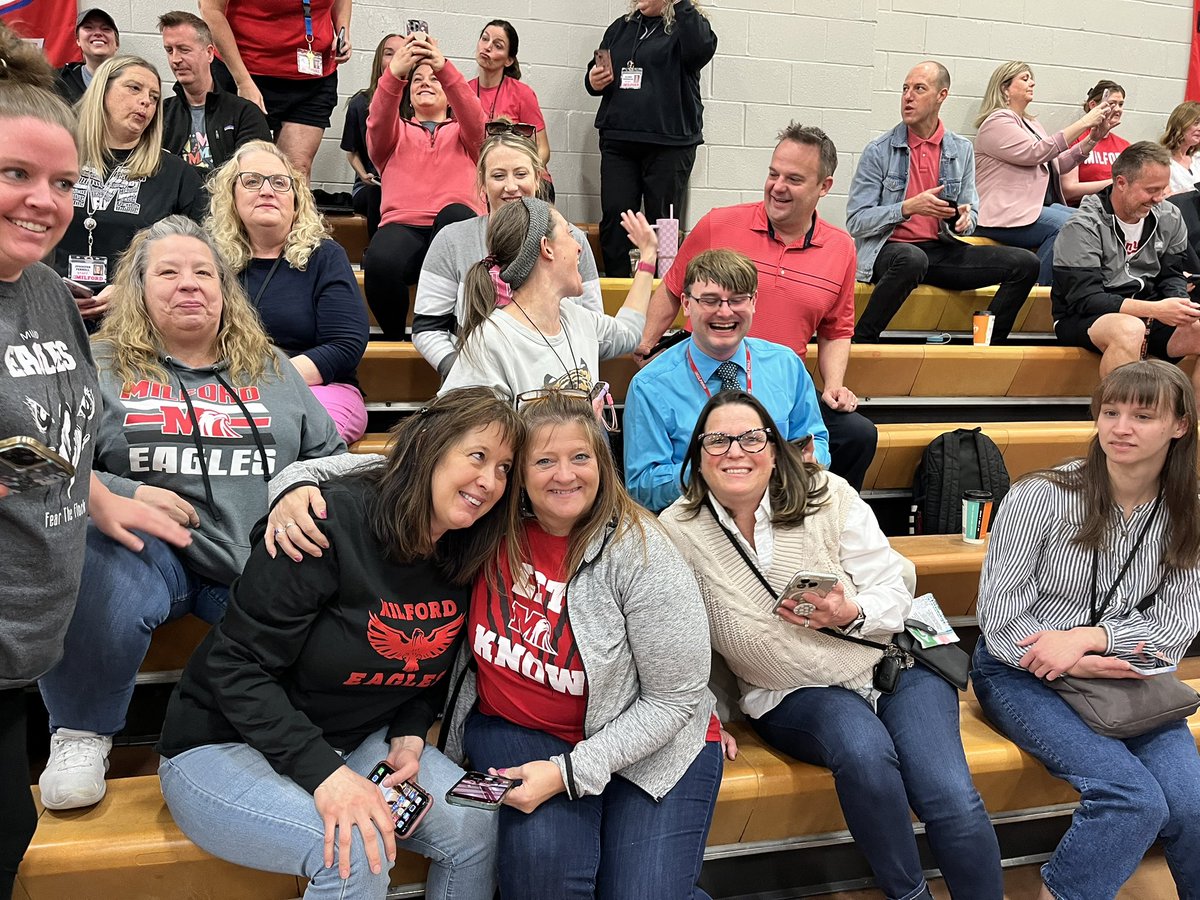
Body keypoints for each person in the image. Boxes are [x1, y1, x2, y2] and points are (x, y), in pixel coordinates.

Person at [36, 216, 347, 812]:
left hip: (256, 552)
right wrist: (117, 490)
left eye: (204, 272)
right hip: (158, 555)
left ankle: (305, 737)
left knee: (321, 579)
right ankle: (81, 731)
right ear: (138, 289)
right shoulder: (97, 365)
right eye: (168, 272)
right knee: (102, 556)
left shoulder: (273, 369)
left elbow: (331, 458)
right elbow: (48, 461)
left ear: (226, 290)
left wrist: (297, 488)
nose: (189, 285)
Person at [158, 387, 517, 900]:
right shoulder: (325, 523)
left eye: (504, 468)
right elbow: (235, 668)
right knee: (355, 848)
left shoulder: (466, 549)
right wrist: (325, 773)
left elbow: (434, 664)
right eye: (478, 456)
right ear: (431, 447)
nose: (489, 481)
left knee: (476, 825)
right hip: (223, 742)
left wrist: (412, 732)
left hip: (354, 740)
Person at [659, 390, 1004, 900]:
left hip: (891, 660)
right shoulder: (676, 530)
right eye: (717, 440)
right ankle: (911, 896)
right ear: (696, 456)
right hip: (791, 689)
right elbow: (676, 641)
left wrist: (852, 612)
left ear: (775, 448)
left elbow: (893, 585)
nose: (735, 451)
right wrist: (700, 717)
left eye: (752, 438)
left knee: (948, 791)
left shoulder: (827, 493)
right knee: (864, 752)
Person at [0, 28, 189, 899]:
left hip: (25, 647)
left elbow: (59, 431)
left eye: (62, 182)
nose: (44, 201)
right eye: (15, 175)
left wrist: (98, 495)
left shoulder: (43, 290)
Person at [442, 389, 721, 900]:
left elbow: (674, 699)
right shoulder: (487, 527)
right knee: (544, 875)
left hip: (652, 740)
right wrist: (297, 483)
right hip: (519, 726)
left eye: (580, 457)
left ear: (603, 463)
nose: (564, 475)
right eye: (544, 460)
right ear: (517, 475)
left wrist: (572, 772)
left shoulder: (643, 553)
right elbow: (399, 476)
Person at [972, 359, 1200, 900]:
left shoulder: (1188, 510)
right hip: (1021, 670)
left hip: (1122, 674)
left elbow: (1176, 630)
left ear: (1180, 426)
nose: (1121, 427)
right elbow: (999, 614)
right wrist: (1067, 656)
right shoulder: (1041, 495)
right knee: (1132, 798)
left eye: (1143, 415)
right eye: (1111, 411)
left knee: (1191, 804)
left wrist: (1092, 639)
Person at [636, 123, 878, 491]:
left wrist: (834, 384)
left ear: (824, 187)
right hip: (704, 370)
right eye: (773, 174)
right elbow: (672, 289)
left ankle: (814, 517)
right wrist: (646, 345)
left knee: (857, 435)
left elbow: (837, 328)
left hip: (778, 379)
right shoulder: (719, 223)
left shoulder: (841, 247)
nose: (778, 187)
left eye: (794, 179)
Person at [847, 60, 1040, 343]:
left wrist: (963, 220)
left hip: (938, 251)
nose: (908, 97)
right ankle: (861, 340)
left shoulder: (960, 149)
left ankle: (986, 347)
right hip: (889, 251)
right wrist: (907, 208)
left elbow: (970, 213)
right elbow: (856, 221)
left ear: (942, 95)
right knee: (912, 258)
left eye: (919, 89)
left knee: (1026, 263)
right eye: (905, 89)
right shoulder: (879, 150)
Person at [625, 248, 829, 512]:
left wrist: (799, 463)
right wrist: (714, 470)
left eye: (737, 300)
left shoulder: (787, 365)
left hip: (779, 509)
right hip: (696, 517)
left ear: (754, 301)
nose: (724, 312)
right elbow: (642, 487)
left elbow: (817, 443)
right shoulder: (650, 386)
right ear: (686, 304)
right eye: (709, 300)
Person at [208, 140, 369, 442]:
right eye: (252, 181)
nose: (267, 191)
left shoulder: (325, 256)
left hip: (317, 388)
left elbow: (345, 345)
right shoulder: (208, 259)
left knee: (284, 434)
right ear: (231, 195)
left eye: (280, 183)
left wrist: (265, 382)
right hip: (221, 387)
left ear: (296, 200)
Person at [412, 132, 602, 377]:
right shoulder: (451, 241)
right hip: (478, 390)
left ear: (538, 179)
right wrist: (462, 374)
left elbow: (593, 326)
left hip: (558, 386)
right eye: (498, 176)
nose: (511, 186)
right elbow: (427, 328)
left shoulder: (573, 240)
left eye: (521, 174)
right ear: (483, 184)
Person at [439, 195, 649, 400]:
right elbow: (458, 430)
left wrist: (648, 257)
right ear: (546, 247)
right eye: (569, 233)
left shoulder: (579, 318)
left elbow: (629, 332)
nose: (579, 247)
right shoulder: (492, 341)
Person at [52, 55, 207, 328]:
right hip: (53, 308)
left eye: (154, 96)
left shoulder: (175, 173)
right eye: (134, 88)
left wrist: (131, 288)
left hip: (136, 320)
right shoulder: (59, 154)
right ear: (103, 90)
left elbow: (197, 254)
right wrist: (48, 285)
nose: (146, 101)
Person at [363, 31, 486, 339]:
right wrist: (394, 75)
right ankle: (395, 339)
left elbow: (475, 117)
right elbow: (378, 118)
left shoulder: (466, 135)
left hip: (454, 227)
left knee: (455, 215)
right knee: (379, 260)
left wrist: (442, 66)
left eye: (434, 79)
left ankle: (452, 335)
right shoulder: (393, 134)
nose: (425, 83)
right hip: (403, 227)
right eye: (417, 80)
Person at [1051, 142, 1200, 393]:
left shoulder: (1169, 216)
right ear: (1121, 183)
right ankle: (1117, 423)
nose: (1159, 198)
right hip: (1082, 317)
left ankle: (1191, 428)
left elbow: (1172, 274)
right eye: (1151, 190)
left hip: (1149, 312)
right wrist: (1156, 309)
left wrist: (1179, 304)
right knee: (1130, 329)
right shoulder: (1082, 226)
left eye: (1163, 189)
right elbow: (1085, 299)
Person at [584, 0, 717, 277]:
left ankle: (664, 291)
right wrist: (592, 80)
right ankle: (618, 290)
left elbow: (701, 50)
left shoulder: (687, 24)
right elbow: (595, 70)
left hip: (670, 144)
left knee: (665, 223)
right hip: (619, 141)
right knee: (616, 218)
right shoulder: (621, 27)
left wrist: (680, 4)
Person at [972, 61, 1118, 285]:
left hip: (1031, 208)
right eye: (1025, 78)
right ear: (1004, 88)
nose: (1032, 83)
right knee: (1067, 226)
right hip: (1002, 214)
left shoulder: (1031, 123)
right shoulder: (996, 121)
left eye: (1031, 78)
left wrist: (1092, 138)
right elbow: (1035, 153)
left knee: (1091, 220)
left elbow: (1055, 164)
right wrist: (1084, 122)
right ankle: (1033, 291)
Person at [199, 0, 351, 181]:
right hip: (245, 71)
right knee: (242, 169)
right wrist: (243, 82)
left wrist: (343, 31)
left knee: (295, 171)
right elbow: (210, 10)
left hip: (312, 77)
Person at [158, 11, 271, 171]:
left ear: (209, 53)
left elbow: (256, 175)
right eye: (169, 50)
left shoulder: (244, 114)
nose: (175, 59)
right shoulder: (162, 113)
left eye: (184, 50)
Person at [341, 34, 403, 239]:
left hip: (404, 187)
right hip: (369, 187)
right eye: (388, 53)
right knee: (379, 193)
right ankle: (376, 251)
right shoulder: (360, 102)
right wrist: (363, 174)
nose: (395, 59)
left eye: (402, 53)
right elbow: (351, 152)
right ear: (379, 60)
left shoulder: (417, 103)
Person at [468, 20, 552, 173]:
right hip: (478, 180)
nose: (487, 47)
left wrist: (524, 175)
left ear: (508, 60)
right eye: (485, 39)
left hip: (517, 179)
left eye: (498, 45)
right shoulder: (464, 92)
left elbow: (543, 149)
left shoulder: (522, 93)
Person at [1061, 80, 1130, 205]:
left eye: (1121, 104)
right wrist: (1114, 183)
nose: (1118, 109)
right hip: (1081, 207)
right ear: (1093, 105)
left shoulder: (1124, 146)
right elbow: (1068, 189)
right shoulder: (1076, 139)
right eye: (1112, 104)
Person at [53, 8, 120, 105]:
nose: (98, 33)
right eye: (88, 27)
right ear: (78, 40)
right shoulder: (60, 80)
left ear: (117, 44)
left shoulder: (133, 80)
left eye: (106, 29)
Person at [1160, 101, 1200, 197]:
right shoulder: (1161, 160)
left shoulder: (1197, 158)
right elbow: (1163, 198)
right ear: (1181, 125)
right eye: (1196, 123)